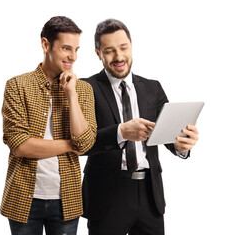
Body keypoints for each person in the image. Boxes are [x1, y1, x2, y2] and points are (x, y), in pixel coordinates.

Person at [81, 19, 199, 235]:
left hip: (149, 195)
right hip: (107, 196)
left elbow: (168, 137)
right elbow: (81, 144)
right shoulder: (86, 88)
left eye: (123, 48)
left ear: (131, 46)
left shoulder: (153, 88)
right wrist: (121, 132)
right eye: (109, 51)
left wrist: (182, 146)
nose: (118, 57)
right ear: (98, 53)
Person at [0, 16, 96, 235]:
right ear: (45, 45)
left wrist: (71, 94)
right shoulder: (17, 86)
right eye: (65, 48)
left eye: (76, 49)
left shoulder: (83, 90)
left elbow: (86, 143)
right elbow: (20, 145)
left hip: (67, 198)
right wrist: (70, 145)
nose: (73, 56)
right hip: (24, 197)